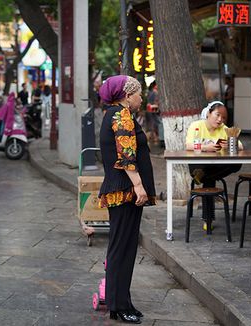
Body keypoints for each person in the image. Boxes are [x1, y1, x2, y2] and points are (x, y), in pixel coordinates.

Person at [98, 75, 156, 324]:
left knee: (123, 247)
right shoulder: (120, 115)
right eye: (138, 93)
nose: (140, 98)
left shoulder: (118, 115)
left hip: (123, 190)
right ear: (126, 95)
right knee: (122, 248)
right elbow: (127, 156)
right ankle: (119, 305)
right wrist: (139, 186)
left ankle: (121, 301)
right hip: (125, 191)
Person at [185, 101, 243, 230]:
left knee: (237, 164)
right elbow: (188, 146)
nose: (220, 119)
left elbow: (240, 145)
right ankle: (208, 219)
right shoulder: (196, 126)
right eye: (217, 115)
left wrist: (229, 144)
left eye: (223, 117)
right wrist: (206, 147)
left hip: (212, 168)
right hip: (197, 166)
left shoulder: (223, 129)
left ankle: (208, 219)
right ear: (208, 113)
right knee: (207, 176)